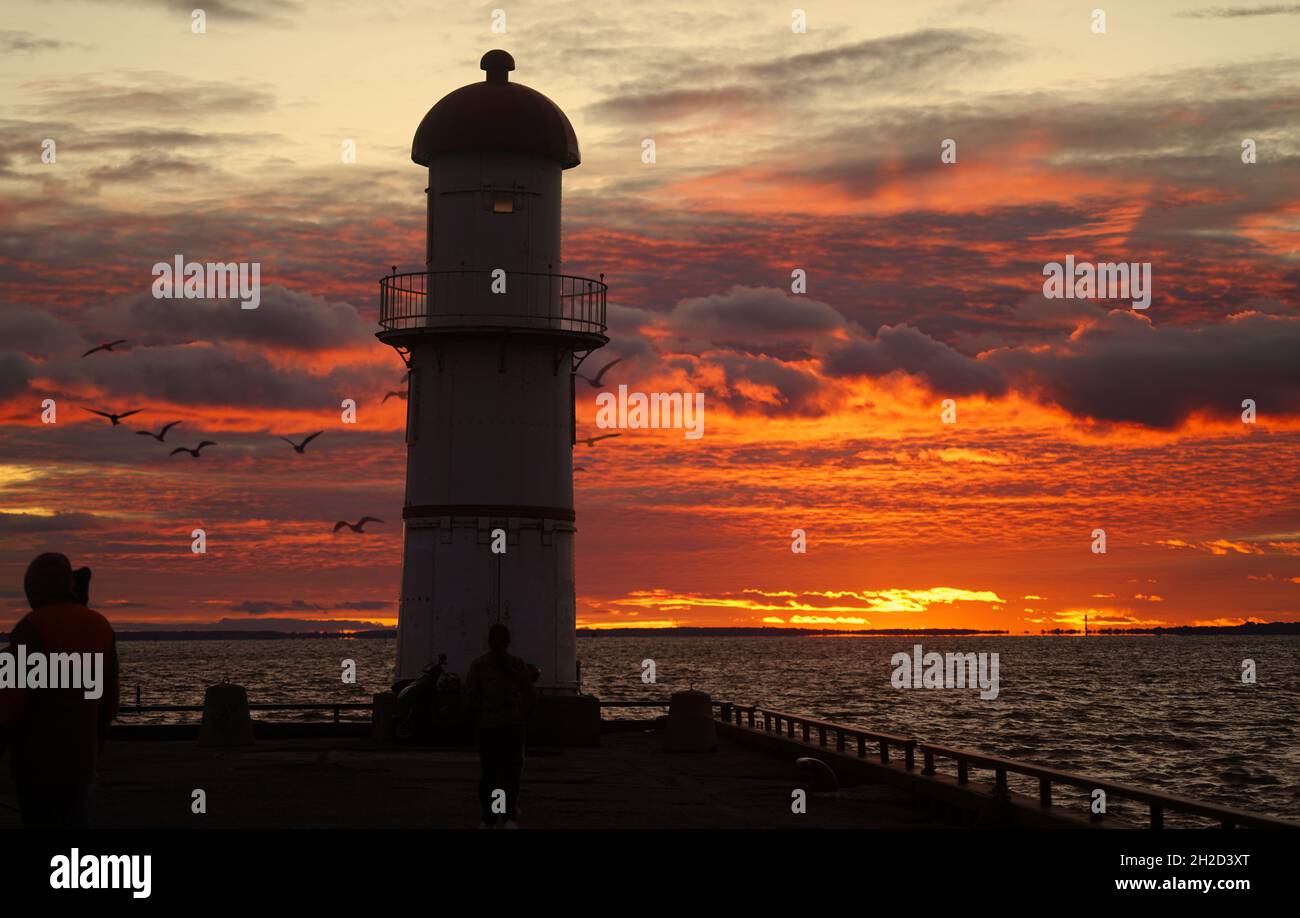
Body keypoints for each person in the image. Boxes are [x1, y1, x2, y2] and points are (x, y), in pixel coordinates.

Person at [0, 553, 120, 828]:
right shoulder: (100, 626)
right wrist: (95, 749)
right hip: (82, 759)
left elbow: (8, 703)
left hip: (36, 762)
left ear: (33, 589)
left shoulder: (31, 628)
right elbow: (109, 701)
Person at [461, 624, 536, 828]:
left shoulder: (479, 665)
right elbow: (530, 694)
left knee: (491, 773)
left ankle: (492, 817)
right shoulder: (518, 664)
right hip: (513, 725)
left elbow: (470, 697)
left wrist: (473, 720)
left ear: (489, 641)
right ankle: (508, 816)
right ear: (508, 641)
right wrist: (525, 716)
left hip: (489, 727)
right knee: (510, 773)